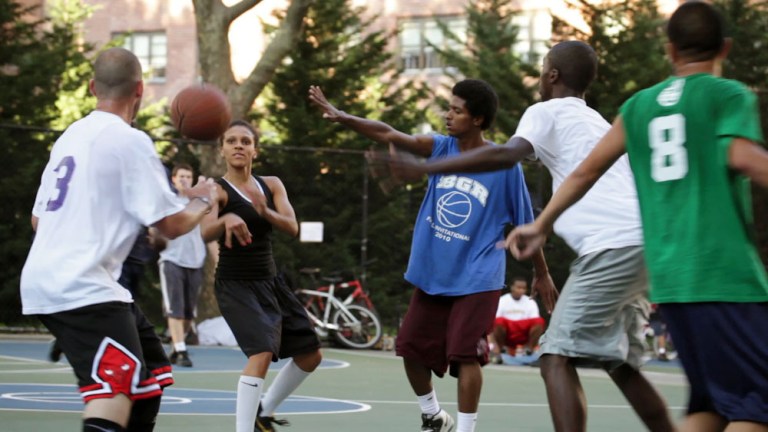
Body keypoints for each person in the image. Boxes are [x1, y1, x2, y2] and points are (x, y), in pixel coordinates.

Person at [385, 42, 675, 432]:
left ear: (552, 75)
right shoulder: (596, 123)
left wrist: (427, 167)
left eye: (542, 68)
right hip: (645, 246)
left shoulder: (545, 111)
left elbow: (507, 155)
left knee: (554, 357)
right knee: (619, 363)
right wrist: (543, 232)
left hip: (611, 247)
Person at [507, 3, 768, 431]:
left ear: (669, 49)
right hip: (723, 273)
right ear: (725, 47)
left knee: (712, 407)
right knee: (754, 406)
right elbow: (743, 156)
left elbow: (586, 171)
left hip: (673, 277)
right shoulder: (728, 95)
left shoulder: (638, 107)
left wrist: (541, 223)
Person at [309, 79, 554, 432]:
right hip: (434, 273)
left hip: (477, 276)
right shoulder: (441, 148)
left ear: (479, 120)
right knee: (409, 349)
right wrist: (341, 115)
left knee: (465, 355)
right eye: (449, 107)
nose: (448, 115)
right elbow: (391, 134)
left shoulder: (504, 166)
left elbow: (527, 224)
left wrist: (541, 272)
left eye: (457, 110)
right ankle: (433, 415)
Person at [20, 47, 216, 432]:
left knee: (150, 381)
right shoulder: (130, 141)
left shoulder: (70, 137)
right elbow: (172, 225)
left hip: (79, 283)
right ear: (140, 90)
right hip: (80, 286)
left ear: (93, 87)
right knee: (114, 391)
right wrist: (204, 201)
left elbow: (37, 220)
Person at [200, 120, 322, 432]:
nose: (238, 145)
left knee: (311, 355)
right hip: (235, 284)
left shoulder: (272, 184)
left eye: (245, 141)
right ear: (223, 150)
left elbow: (292, 227)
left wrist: (265, 212)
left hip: (270, 282)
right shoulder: (217, 190)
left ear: (255, 149)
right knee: (262, 352)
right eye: (231, 141)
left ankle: (263, 413)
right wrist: (226, 218)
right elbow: (204, 231)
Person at [157, 163, 208, 368]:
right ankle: (180, 350)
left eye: (188, 176)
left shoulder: (198, 203)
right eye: (181, 177)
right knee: (175, 309)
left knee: (189, 313)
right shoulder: (167, 202)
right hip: (172, 260)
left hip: (195, 261)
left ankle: (177, 344)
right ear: (174, 180)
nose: (185, 179)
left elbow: (209, 232)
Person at [489, 276, 545, 363]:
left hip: (523, 334)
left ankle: (529, 350)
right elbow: (493, 324)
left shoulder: (530, 301)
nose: (521, 290)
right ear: (512, 287)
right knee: (498, 321)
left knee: (539, 321)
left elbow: (536, 324)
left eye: (523, 288)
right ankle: (501, 348)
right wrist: (493, 344)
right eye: (518, 287)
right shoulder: (502, 300)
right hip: (506, 334)